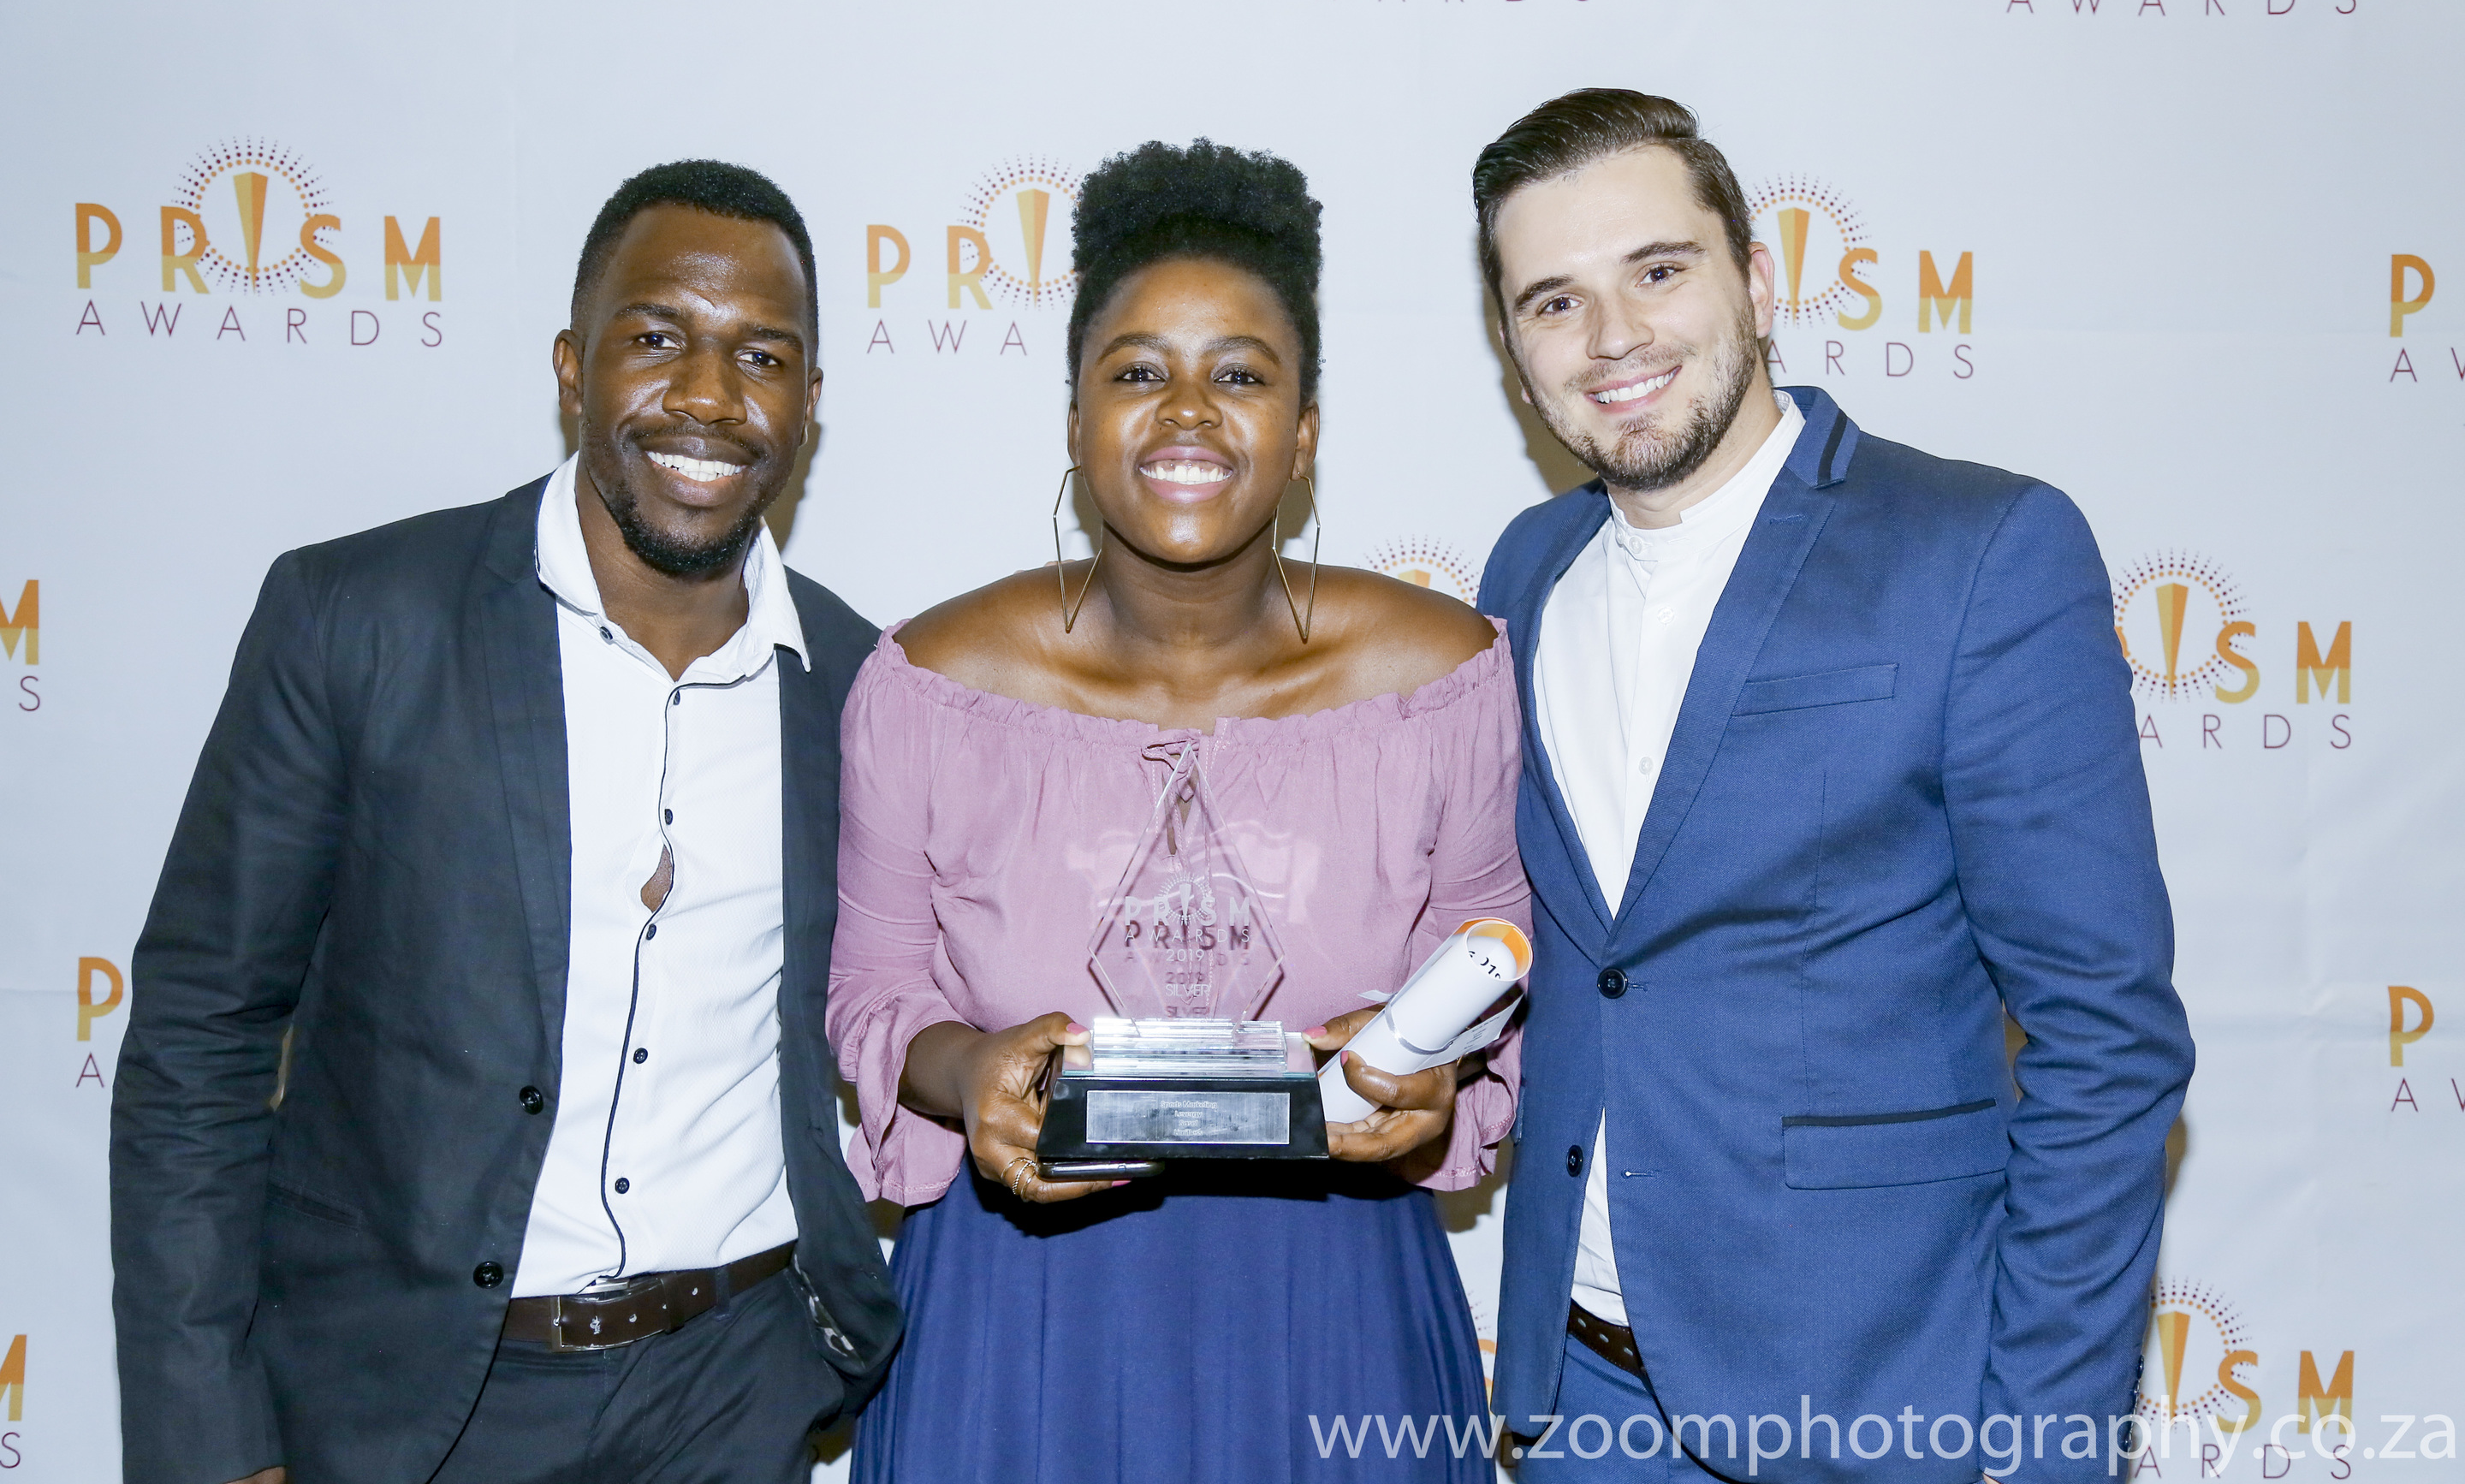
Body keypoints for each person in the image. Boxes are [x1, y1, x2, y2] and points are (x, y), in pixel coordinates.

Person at [110, 161, 900, 1484]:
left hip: (732, 1398)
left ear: (808, 401)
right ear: (572, 367)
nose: (708, 395)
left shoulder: (861, 687)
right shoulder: (360, 620)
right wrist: (208, 1439)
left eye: (761, 356)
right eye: (657, 339)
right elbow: (201, 1036)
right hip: (412, 1405)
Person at [1470, 91, 2195, 1481]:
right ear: (1514, 350)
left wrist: (2043, 1447)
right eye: (1554, 301)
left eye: (1658, 271)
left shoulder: (1978, 551)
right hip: (1581, 1406)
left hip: (1881, 1402)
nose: (1612, 337)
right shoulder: (1526, 571)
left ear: (1756, 279)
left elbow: (2106, 1037)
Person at [828, 138, 1527, 1482]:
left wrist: (1434, 1078)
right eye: (1139, 371)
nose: (1189, 413)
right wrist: (967, 1074)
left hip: (1338, 1309)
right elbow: (871, 990)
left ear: (1305, 431)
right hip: (1019, 1318)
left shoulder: (1445, 681)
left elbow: (1496, 968)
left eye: (1242, 375)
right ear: (1075, 417)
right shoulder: (927, 685)